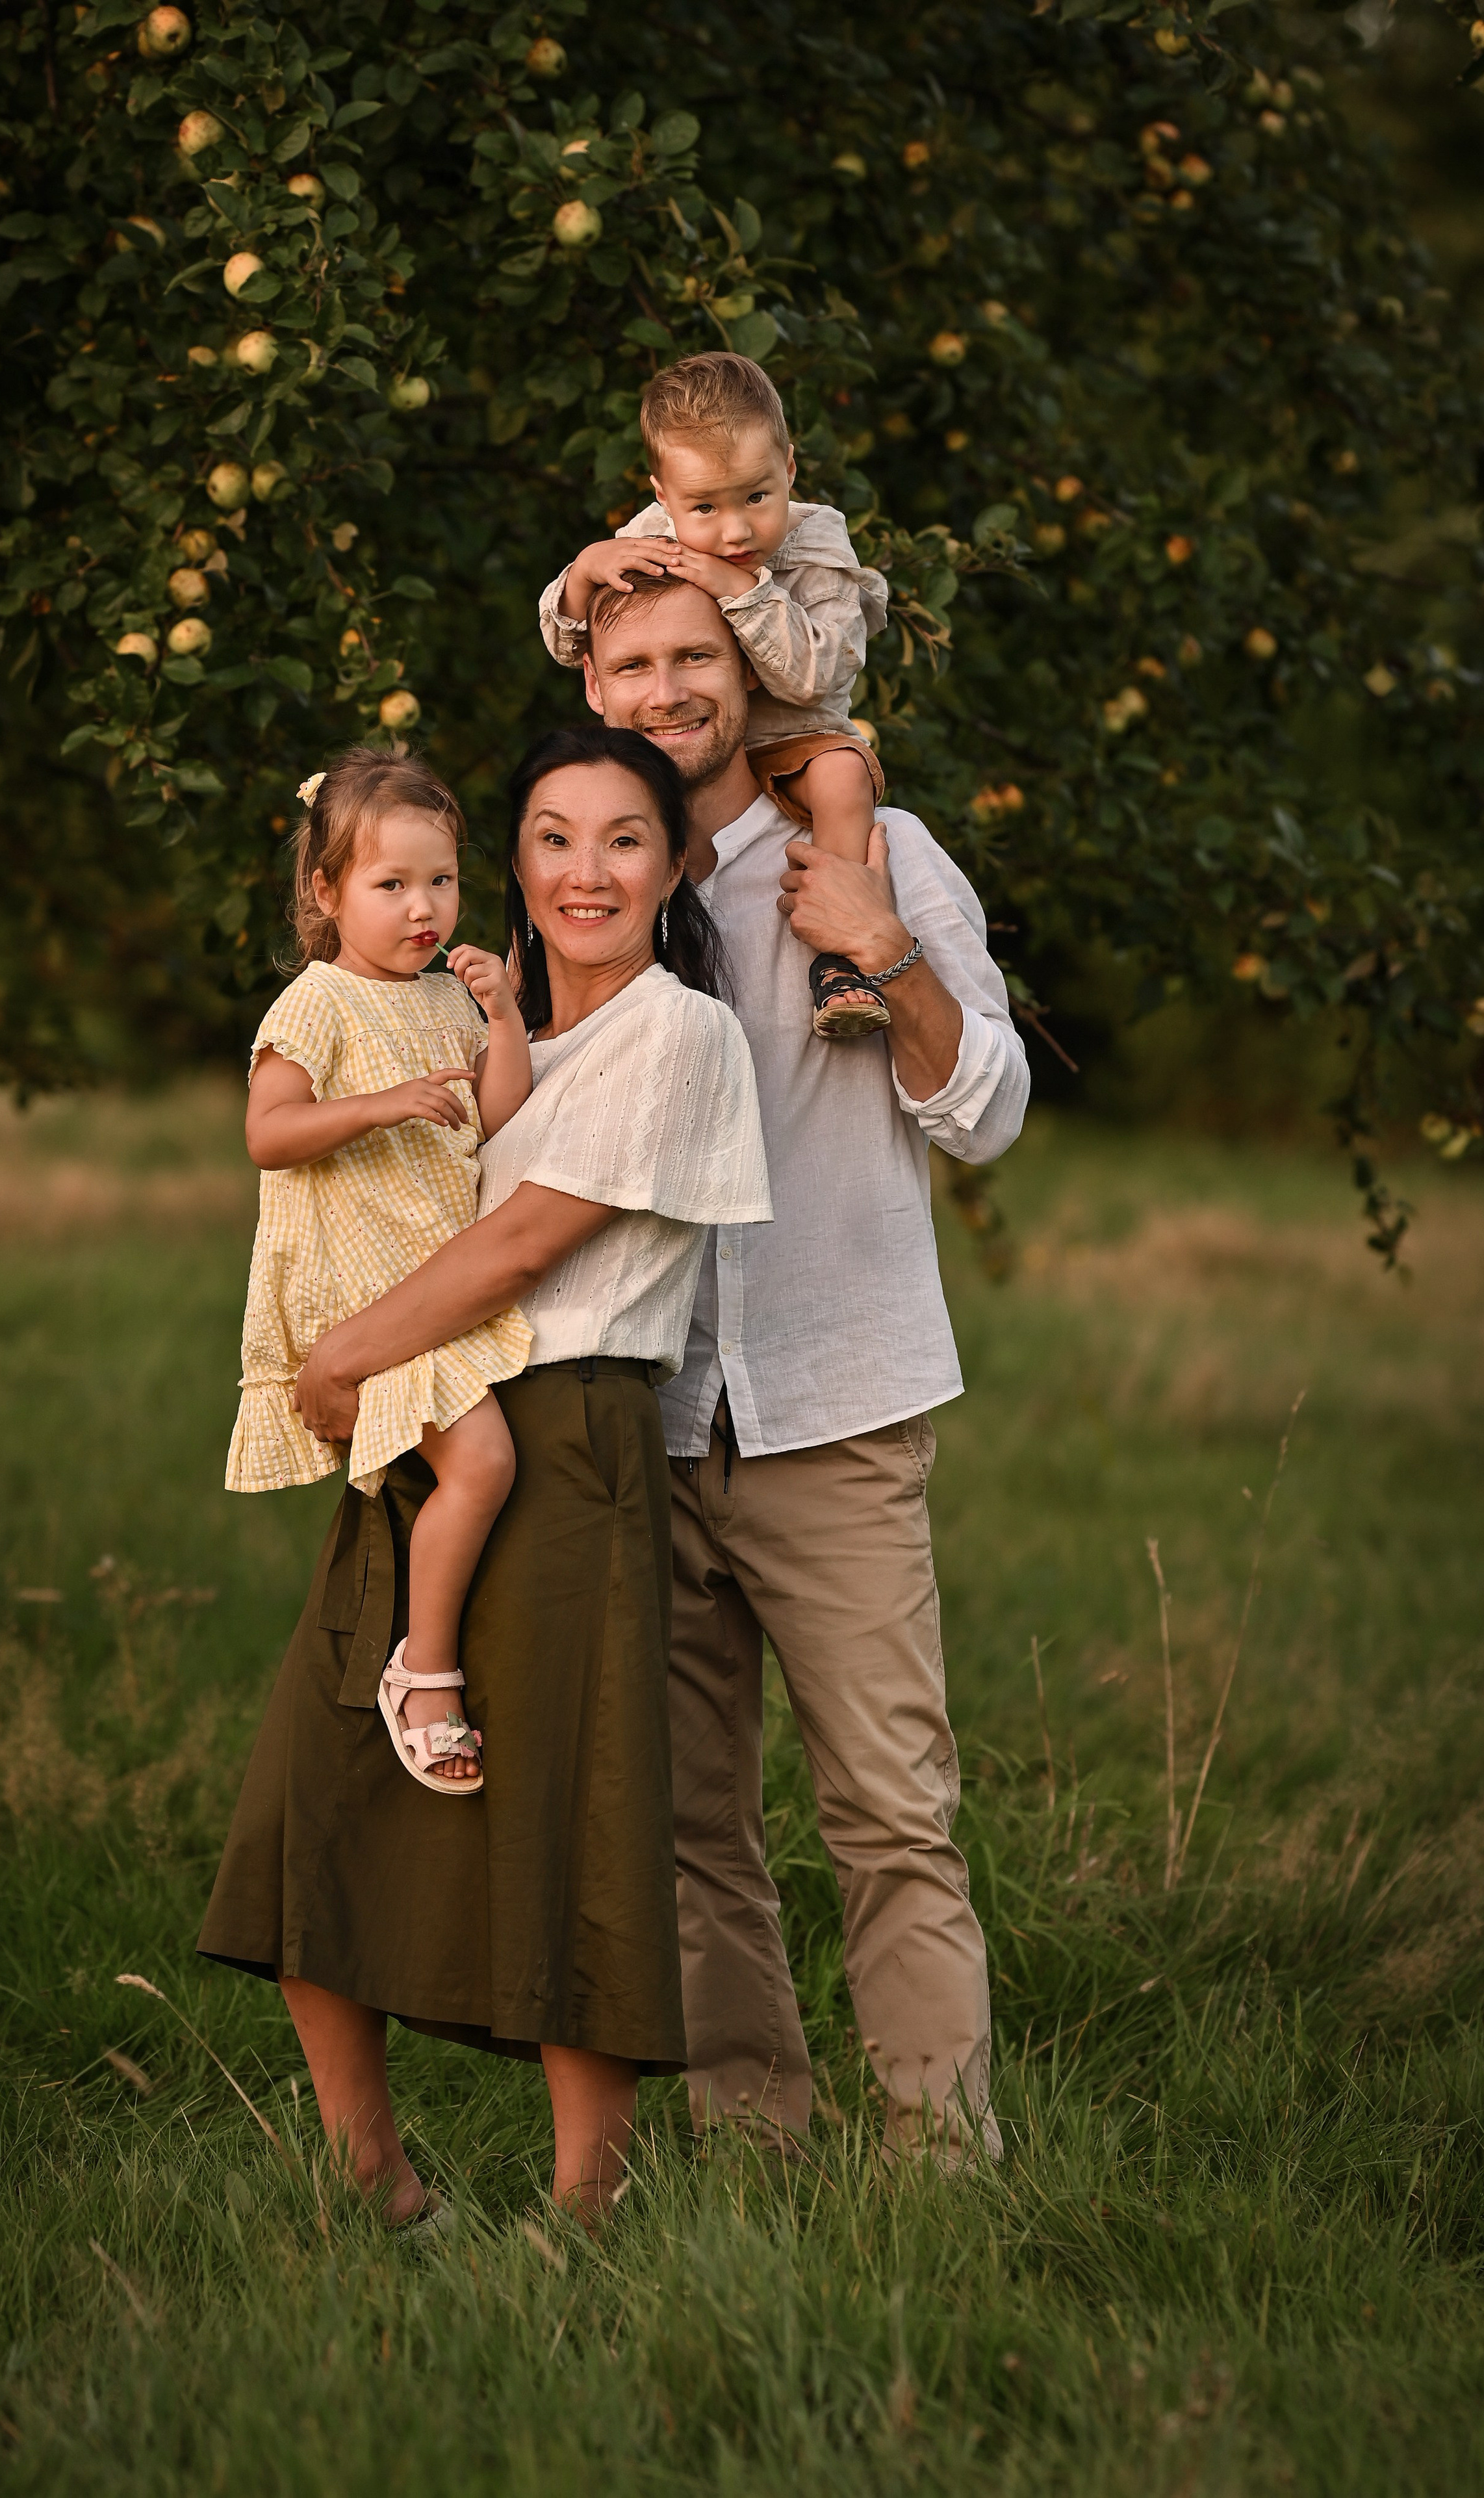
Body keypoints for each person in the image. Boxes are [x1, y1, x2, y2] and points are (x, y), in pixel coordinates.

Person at [199, 723, 772, 2222]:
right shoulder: (449, 1023)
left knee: (568, 1826)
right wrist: (359, 1366)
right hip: (430, 1414)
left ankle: (589, 2207)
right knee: (312, 1803)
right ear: (516, 866)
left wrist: (332, 1363)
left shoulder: (678, 1034)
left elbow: (523, 1242)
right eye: (556, 838)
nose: (586, 870)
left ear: (670, 865)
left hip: (565, 1438)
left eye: (625, 838)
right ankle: (373, 2183)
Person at [578, 567, 1030, 2168]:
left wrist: (879, 952)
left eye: (691, 655)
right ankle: (752, 2150)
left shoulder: (877, 853)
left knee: (892, 1816)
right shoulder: (586, 877)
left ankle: (939, 2170)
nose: (662, 690)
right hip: (640, 1413)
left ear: (750, 672)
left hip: (833, 1405)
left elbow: (985, 1108)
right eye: (628, 662)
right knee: (692, 1826)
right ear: (593, 689)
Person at [224, 747, 533, 1793]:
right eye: (391, 885)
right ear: (326, 892)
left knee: (488, 1467)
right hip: (362, 1290)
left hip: (434, 1278)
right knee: (484, 1463)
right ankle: (424, 1668)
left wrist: (505, 1021)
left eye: (441, 881)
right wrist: (384, 1102)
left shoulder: (447, 997)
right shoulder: (319, 1001)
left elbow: (505, 1118)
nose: (423, 908)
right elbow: (269, 1133)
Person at [539, 350, 892, 1040]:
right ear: (664, 497)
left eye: (757, 497)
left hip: (795, 740)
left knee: (848, 774)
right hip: (692, 751)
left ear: (788, 468)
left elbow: (817, 677)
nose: (734, 531)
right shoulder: (650, 537)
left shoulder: (819, 550)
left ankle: (839, 959)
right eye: (704, 507)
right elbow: (569, 644)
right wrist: (583, 575)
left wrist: (744, 595)